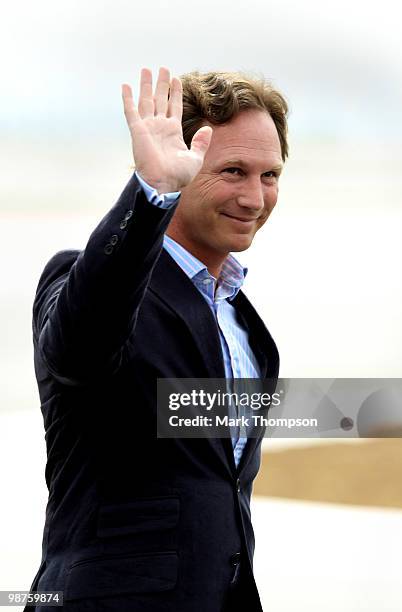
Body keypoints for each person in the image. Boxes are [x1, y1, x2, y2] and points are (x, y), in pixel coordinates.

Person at [26, 67, 288, 612]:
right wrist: (153, 194)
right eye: (233, 171)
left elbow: (218, 485)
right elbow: (79, 351)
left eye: (269, 175)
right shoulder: (88, 283)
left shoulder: (247, 327)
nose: (254, 198)